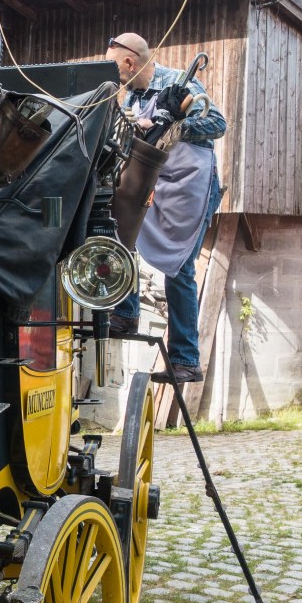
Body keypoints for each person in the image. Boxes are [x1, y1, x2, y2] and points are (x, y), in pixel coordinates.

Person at [105, 32, 226, 385]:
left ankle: (186, 360)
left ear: (129, 61)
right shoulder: (130, 97)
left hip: (190, 183)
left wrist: (174, 122)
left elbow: (217, 124)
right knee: (121, 236)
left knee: (180, 270)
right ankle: (126, 314)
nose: (114, 76)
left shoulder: (176, 82)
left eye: (115, 66)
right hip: (153, 181)